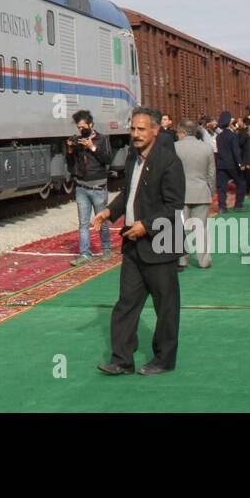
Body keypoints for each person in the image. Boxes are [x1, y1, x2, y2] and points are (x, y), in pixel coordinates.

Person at [91, 107, 185, 376]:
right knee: (126, 304)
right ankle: (121, 359)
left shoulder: (169, 162)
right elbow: (128, 195)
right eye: (133, 129)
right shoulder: (132, 158)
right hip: (132, 244)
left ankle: (164, 359)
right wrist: (109, 211)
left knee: (165, 307)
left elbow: (174, 206)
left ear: (156, 130)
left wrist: (145, 226)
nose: (135, 134)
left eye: (141, 129)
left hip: (160, 243)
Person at [66, 109, 113, 266]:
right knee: (83, 223)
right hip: (81, 187)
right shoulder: (78, 141)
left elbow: (107, 159)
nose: (81, 130)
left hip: (98, 187)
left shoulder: (101, 139)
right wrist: (71, 149)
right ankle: (85, 254)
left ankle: (106, 248)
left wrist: (93, 147)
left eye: (83, 127)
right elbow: (71, 165)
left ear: (91, 125)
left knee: (101, 220)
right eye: (78, 127)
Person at [175, 119, 216, 270]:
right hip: (201, 191)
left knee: (182, 228)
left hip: (180, 193)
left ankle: (182, 260)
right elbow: (211, 174)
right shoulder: (206, 148)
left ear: (183, 132)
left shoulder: (174, 148)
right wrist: (210, 192)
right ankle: (204, 260)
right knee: (202, 228)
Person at [215, 111, 245, 211]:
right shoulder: (233, 136)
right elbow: (236, 151)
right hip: (232, 164)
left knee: (221, 187)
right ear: (229, 123)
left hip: (221, 164)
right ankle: (238, 205)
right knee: (241, 183)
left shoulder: (219, 136)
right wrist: (240, 163)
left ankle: (222, 207)